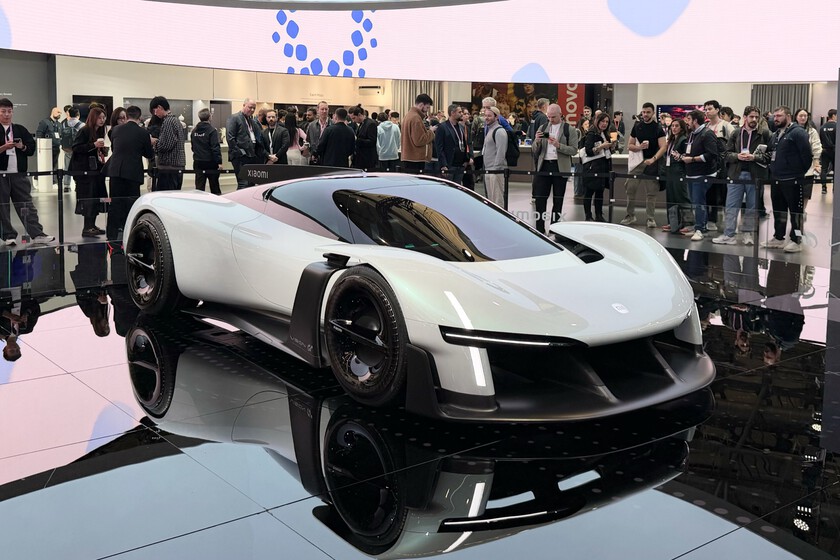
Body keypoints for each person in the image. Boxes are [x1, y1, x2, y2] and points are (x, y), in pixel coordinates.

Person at [712, 106, 770, 246]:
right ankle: (729, 235)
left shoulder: (765, 134)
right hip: (736, 174)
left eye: (757, 117)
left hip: (755, 175)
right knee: (731, 206)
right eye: (751, 117)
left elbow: (770, 156)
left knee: (752, 207)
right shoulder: (736, 133)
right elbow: (726, 154)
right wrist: (737, 156)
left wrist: (754, 157)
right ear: (745, 117)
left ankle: (748, 234)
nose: (754, 119)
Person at [0, 98, 54, 246]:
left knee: (26, 204)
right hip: (1, 174)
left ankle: (37, 233)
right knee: (2, 206)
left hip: (19, 173)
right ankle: (8, 235)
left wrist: (22, 147)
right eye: (3, 111)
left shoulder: (20, 129)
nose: (7, 114)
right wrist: (4, 148)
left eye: (9, 111)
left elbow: (31, 149)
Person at [762, 105, 812, 253]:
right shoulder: (776, 134)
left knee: (795, 212)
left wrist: (798, 172)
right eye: (775, 116)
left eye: (779, 116)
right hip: (776, 179)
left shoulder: (798, 132)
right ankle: (778, 238)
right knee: (778, 210)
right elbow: (770, 152)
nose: (775, 119)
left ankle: (796, 240)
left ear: (788, 117)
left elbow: (806, 155)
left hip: (793, 179)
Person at [105, 105, 155, 243]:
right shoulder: (143, 133)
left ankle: (112, 234)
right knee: (131, 204)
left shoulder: (115, 130)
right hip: (132, 173)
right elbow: (148, 154)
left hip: (115, 171)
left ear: (126, 116)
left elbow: (115, 148)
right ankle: (130, 232)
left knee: (114, 203)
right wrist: (150, 143)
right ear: (139, 118)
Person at [531, 104, 578, 232]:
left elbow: (574, 150)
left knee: (558, 201)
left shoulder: (569, 129)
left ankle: (554, 230)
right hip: (544, 166)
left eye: (553, 117)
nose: (551, 119)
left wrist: (559, 145)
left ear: (560, 115)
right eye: (549, 117)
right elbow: (534, 149)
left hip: (559, 167)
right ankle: (539, 229)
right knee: (540, 199)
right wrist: (537, 141)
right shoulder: (543, 127)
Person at [622, 102, 666, 227]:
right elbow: (629, 145)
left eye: (648, 112)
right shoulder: (637, 126)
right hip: (637, 162)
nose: (645, 114)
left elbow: (663, 147)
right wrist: (639, 147)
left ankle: (650, 218)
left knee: (651, 192)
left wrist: (653, 159)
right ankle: (630, 215)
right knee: (630, 188)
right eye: (643, 112)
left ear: (653, 113)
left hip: (652, 162)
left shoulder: (658, 128)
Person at [71, 106, 109, 238]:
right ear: (93, 118)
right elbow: (76, 148)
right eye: (99, 117)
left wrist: (102, 150)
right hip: (85, 172)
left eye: (104, 117)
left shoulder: (98, 132)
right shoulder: (85, 130)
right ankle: (87, 227)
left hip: (95, 170)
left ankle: (91, 225)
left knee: (95, 197)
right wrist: (94, 145)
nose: (102, 120)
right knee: (89, 197)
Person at [682, 109, 720, 241]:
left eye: (688, 119)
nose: (686, 122)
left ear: (695, 121)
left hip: (703, 174)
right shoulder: (692, 134)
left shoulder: (707, 134)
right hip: (691, 174)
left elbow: (712, 154)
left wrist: (693, 159)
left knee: (699, 202)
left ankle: (700, 229)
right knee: (695, 202)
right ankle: (699, 226)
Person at [701, 100, 734, 231]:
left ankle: (729, 222)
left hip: (724, 165)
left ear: (717, 110)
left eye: (710, 109)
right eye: (706, 109)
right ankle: (711, 219)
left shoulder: (726, 126)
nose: (707, 111)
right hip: (709, 165)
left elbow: (734, 144)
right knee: (710, 193)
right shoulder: (705, 127)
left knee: (725, 193)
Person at [581, 112, 615, 222]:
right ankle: (588, 215)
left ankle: (599, 214)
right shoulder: (592, 133)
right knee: (589, 192)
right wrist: (601, 146)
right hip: (592, 167)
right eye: (602, 121)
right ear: (597, 121)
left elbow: (607, 152)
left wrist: (611, 146)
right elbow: (588, 151)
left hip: (603, 167)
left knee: (600, 192)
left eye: (607, 122)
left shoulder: (605, 134)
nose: (604, 124)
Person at [226, 98, 264, 188]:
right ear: (244, 105)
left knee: (251, 183)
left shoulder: (251, 121)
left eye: (254, 108)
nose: (252, 110)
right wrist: (240, 152)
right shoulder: (234, 118)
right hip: (240, 157)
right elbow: (230, 138)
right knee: (243, 183)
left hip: (251, 156)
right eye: (250, 107)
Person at [661, 119, 691, 234]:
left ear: (682, 128)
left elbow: (686, 156)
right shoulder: (671, 140)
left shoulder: (684, 140)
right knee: (671, 198)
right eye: (672, 126)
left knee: (682, 198)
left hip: (679, 171)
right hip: (670, 171)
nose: (674, 128)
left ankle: (688, 224)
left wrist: (680, 156)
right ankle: (673, 223)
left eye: (676, 126)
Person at [151, 96, 187, 191]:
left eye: (155, 110)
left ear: (159, 107)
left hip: (169, 167)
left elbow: (165, 145)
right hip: (176, 166)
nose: (155, 114)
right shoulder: (175, 120)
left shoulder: (169, 121)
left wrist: (154, 142)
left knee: (166, 196)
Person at [400, 94, 437, 174]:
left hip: (409, 157)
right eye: (427, 107)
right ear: (421, 105)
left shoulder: (408, 115)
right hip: (415, 159)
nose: (427, 110)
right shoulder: (416, 118)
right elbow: (419, 140)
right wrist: (431, 131)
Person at [793, 108, 822, 210]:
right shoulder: (791, 129)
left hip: (808, 166)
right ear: (796, 117)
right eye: (801, 116)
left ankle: (803, 211)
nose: (803, 118)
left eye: (805, 116)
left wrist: (816, 163)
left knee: (806, 192)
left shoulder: (812, 131)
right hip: (793, 166)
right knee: (793, 191)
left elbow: (816, 147)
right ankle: (794, 211)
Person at [190, 107, 223, 194]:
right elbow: (215, 147)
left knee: (199, 188)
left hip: (198, 162)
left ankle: (199, 201)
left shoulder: (194, 131)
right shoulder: (212, 131)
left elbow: (193, 147)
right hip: (211, 163)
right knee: (214, 187)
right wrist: (219, 162)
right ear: (209, 117)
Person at [435, 104, 470, 186]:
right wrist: (443, 164)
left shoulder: (461, 127)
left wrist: (466, 159)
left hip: (460, 165)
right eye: (459, 112)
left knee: (457, 188)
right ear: (452, 113)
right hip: (449, 165)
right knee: (448, 188)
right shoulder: (442, 127)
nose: (462, 114)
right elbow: (439, 147)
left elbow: (464, 143)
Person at [481, 106, 507, 207]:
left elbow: (501, 152)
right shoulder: (490, 130)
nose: (486, 118)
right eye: (485, 115)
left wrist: (496, 169)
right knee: (491, 200)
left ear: (496, 117)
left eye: (489, 116)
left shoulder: (499, 131)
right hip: (489, 170)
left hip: (496, 171)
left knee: (497, 199)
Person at [35, 106, 63, 186]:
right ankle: (37, 178)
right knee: (44, 164)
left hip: (56, 147)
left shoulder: (59, 124)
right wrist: (40, 146)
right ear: (52, 112)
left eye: (60, 113)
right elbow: (39, 134)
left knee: (53, 164)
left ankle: (52, 180)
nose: (59, 114)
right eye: (58, 112)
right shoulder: (44, 122)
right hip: (46, 148)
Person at [59, 107, 83, 193]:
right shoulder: (81, 125)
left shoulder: (64, 124)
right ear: (78, 115)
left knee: (67, 167)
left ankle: (66, 186)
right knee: (78, 167)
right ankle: (78, 184)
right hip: (78, 149)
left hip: (67, 149)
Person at [349, 105, 378, 170]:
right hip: (360, 158)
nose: (353, 121)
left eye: (354, 118)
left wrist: (357, 140)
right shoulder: (361, 124)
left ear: (359, 115)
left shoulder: (370, 124)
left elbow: (372, 141)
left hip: (367, 159)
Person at [819, 109, 836, 194]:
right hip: (835, 151)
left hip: (824, 150)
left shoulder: (822, 127)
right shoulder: (837, 126)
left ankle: (823, 188)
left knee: (824, 169)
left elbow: (820, 139)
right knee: (836, 170)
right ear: (834, 115)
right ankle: (835, 188)